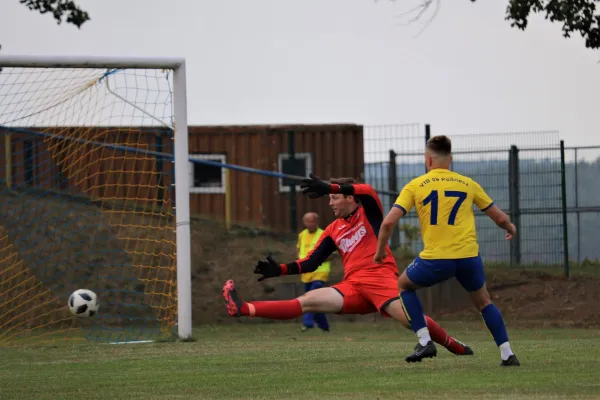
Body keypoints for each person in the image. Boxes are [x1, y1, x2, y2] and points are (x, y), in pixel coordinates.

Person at [222, 174, 473, 358]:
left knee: (411, 320)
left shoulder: (370, 213)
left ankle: (453, 345)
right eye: (329, 197)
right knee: (307, 300)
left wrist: (330, 185)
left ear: (350, 197)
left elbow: (368, 191)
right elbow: (311, 262)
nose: (330, 203)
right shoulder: (333, 229)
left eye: (334, 197)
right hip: (353, 286)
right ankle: (244, 309)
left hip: (379, 278)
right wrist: (279, 270)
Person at [374, 135, 520, 366]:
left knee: (403, 285)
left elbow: (388, 223)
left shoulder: (415, 185)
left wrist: (380, 251)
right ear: (450, 159)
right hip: (468, 257)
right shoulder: (467, 183)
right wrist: (510, 227)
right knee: (484, 302)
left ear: (428, 160)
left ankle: (424, 341)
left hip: (436, 258)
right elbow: (500, 217)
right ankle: (507, 353)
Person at [297, 212, 331, 332]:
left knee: (311, 296)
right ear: (304, 222)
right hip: (306, 273)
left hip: (320, 272)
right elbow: (299, 250)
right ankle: (324, 326)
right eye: (308, 221)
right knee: (314, 300)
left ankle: (307, 322)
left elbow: (332, 254)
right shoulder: (302, 235)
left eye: (312, 221)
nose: (310, 224)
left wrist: (317, 260)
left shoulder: (324, 234)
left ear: (317, 222)